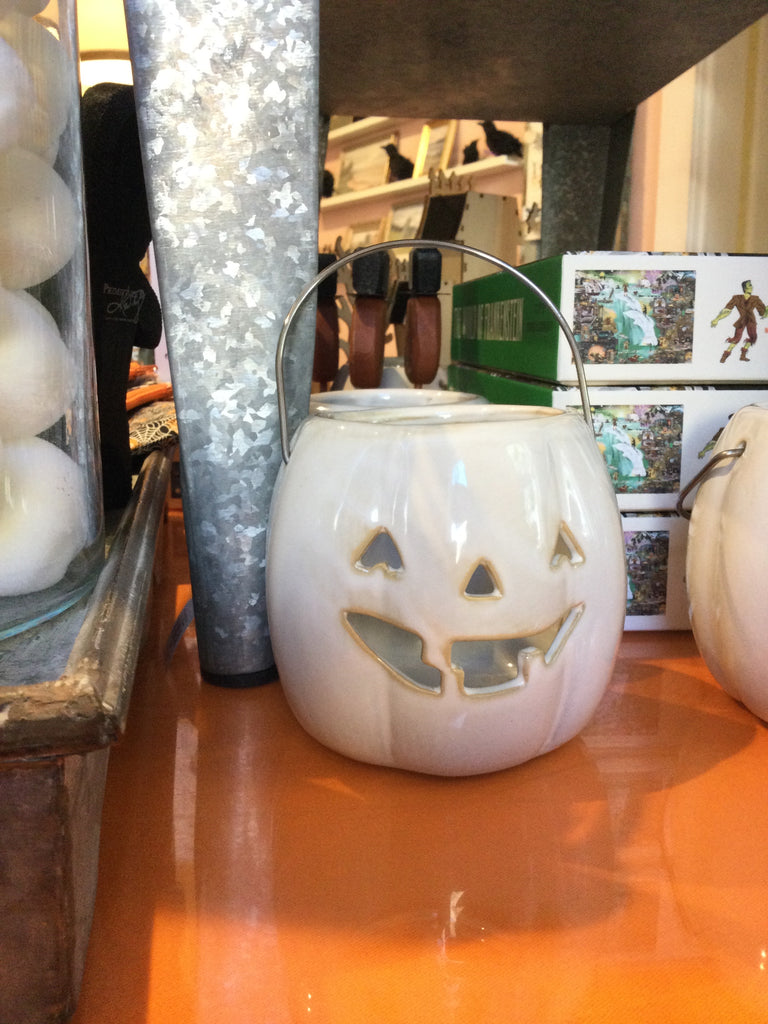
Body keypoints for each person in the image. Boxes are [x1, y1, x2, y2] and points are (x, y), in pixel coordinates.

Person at [712, 279, 768, 362]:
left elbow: (763, 313)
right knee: (736, 338)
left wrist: (766, 309)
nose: (752, 287)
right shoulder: (737, 298)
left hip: (751, 320)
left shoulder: (756, 299)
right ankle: (724, 356)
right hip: (742, 320)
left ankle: (742, 356)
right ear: (745, 288)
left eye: (751, 285)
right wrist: (717, 319)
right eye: (749, 285)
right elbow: (727, 310)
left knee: (753, 338)